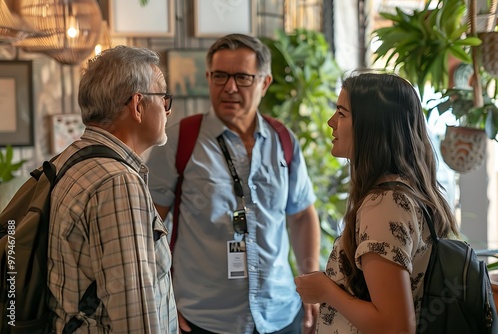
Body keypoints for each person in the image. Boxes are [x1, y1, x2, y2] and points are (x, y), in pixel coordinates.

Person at [146, 34, 321, 334]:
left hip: (280, 313)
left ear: (264, 83)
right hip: (204, 318)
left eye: (242, 77)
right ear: (208, 78)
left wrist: (311, 278)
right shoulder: (179, 140)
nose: (230, 87)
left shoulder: (283, 141)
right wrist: (163, 294)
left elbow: (302, 213)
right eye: (220, 76)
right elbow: (149, 227)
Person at [294, 72, 459, 333]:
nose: (331, 122)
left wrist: (325, 290)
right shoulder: (405, 192)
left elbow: (395, 326)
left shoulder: (385, 204)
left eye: (342, 113)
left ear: (371, 126)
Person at [47, 45, 179, 333]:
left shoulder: (72, 158)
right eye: (164, 98)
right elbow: (135, 317)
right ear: (138, 105)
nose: (168, 110)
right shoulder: (118, 183)